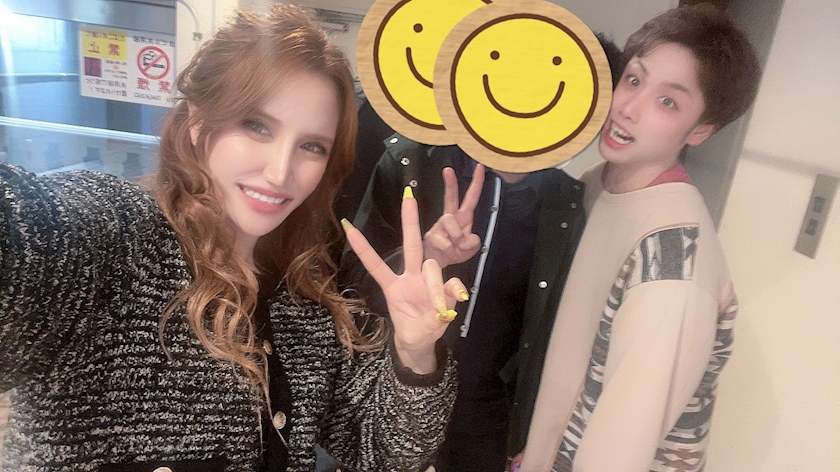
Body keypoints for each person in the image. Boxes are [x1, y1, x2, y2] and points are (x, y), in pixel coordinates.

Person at [0, 5, 463, 471]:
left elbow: (385, 451)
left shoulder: (304, 303)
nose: (280, 172)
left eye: (311, 146)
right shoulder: (115, 243)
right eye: (256, 126)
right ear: (197, 119)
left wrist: (414, 350)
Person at [340, 35, 625, 472]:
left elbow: (553, 331)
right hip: (393, 394)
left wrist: (530, 428)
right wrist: (423, 256)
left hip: (487, 418)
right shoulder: (410, 162)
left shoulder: (566, 203)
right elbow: (348, 288)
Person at [515, 4, 761, 471]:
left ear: (701, 130)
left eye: (668, 102)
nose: (627, 108)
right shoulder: (594, 184)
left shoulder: (674, 264)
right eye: (633, 80)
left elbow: (616, 453)